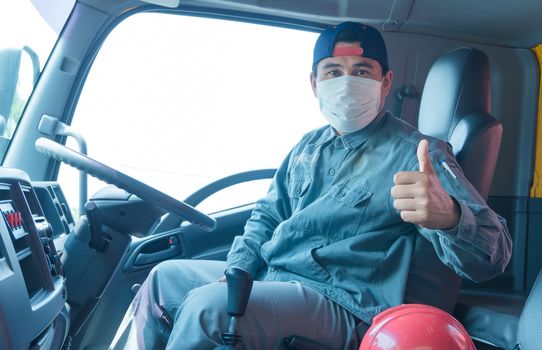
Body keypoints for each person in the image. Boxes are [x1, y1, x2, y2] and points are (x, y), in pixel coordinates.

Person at [110, 21, 512, 350]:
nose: (347, 82)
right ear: (315, 84)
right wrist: (238, 269)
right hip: (278, 277)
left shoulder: (419, 153)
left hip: (345, 301)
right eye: (333, 72)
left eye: (362, 71)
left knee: (208, 309)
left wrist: (450, 217)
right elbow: (266, 216)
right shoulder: (308, 145)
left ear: (385, 82)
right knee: (163, 279)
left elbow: (495, 255)